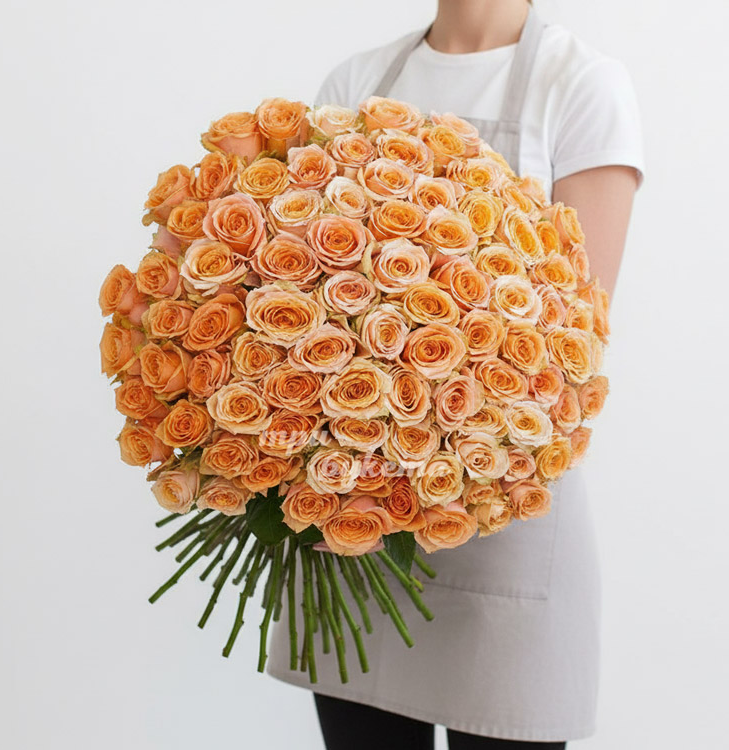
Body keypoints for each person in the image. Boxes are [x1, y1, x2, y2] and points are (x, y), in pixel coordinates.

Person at [266, 1, 645, 747]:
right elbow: (291, 295)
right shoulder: (357, 84)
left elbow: (571, 349)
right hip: (357, 538)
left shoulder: (580, 85)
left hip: (507, 531)